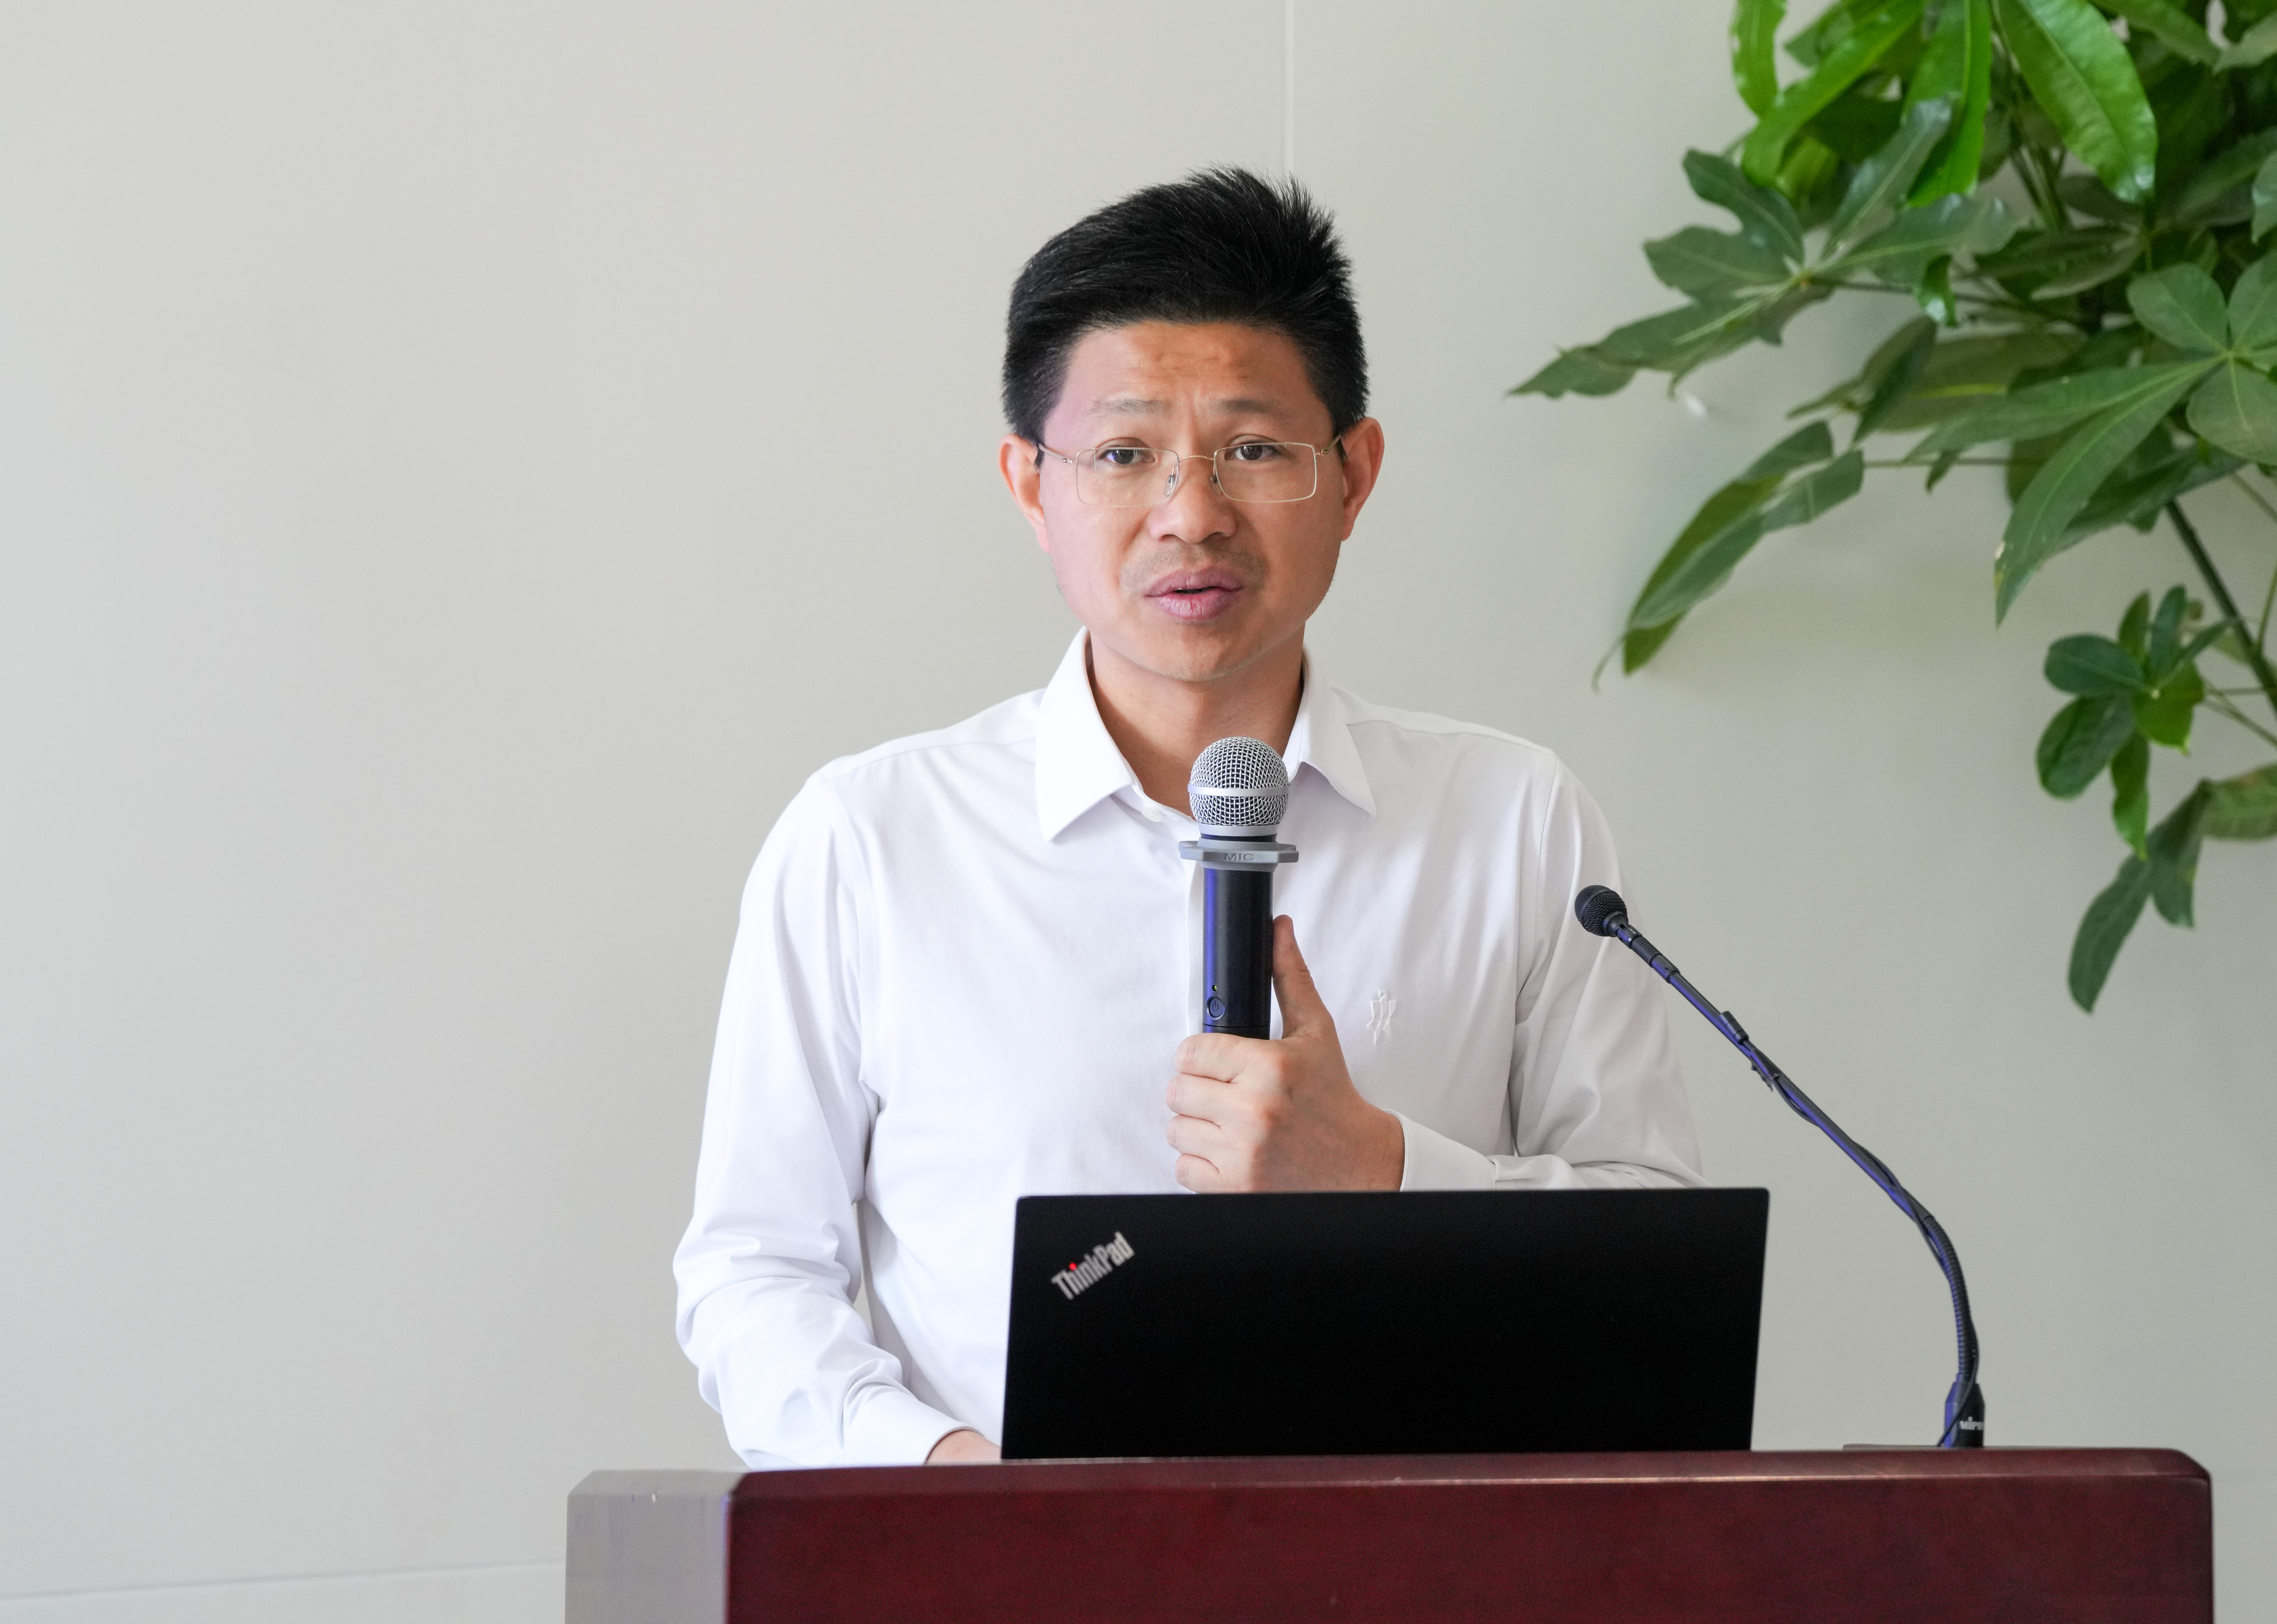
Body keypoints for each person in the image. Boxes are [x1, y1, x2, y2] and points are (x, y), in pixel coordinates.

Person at [673, 169, 1701, 1469]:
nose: (1192, 514)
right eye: (1124, 455)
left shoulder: (1513, 821)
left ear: (1354, 474)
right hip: (1008, 1555)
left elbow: (1655, 1248)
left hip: (1414, 1554)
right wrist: (943, 1479)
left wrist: (1385, 1171)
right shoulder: (872, 839)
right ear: (1030, 485)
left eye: (1254, 450)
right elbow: (755, 1271)